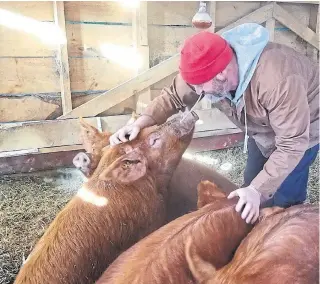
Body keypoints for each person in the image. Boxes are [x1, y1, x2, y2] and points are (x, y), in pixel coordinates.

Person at [110, 23, 319, 224]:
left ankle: (287, 227)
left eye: (201, 86)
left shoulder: (277, 81)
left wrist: (258, 190)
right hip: (262, 128)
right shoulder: (205, 66)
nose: (198, 92)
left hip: (304, 126)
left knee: (285, 194)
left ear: (221, 73)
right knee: (251, 180)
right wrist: (142, 122)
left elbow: (292, 143)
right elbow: (174, 95)